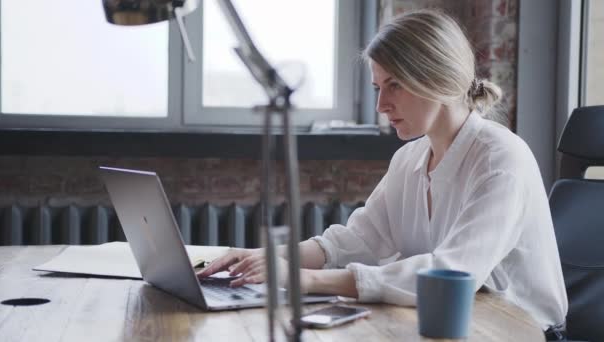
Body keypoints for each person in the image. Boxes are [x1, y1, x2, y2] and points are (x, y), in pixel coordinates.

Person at [198, 9, 568, 332]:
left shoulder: (500, 160)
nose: (381, 105)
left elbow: (452, 273)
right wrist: (269, 257)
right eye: (377, 86)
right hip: (456, 325)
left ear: (437, 79)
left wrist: (305, 280)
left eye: (395, 85)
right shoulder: (409, 160)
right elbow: (355, 240)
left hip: (516, 331)